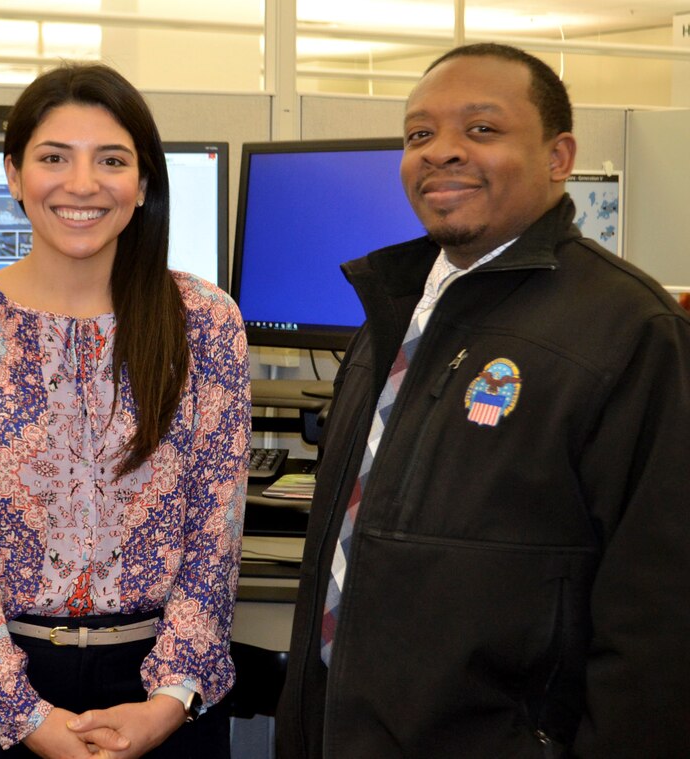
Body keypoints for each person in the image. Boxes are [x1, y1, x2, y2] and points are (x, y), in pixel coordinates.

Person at [277, 42, 690, 758]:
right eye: (419, 134)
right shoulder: (392, 309)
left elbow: (658, 626)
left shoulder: (629, 332)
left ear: (559, 156)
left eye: (482, 130)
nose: (440, 152)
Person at [0, 62, 250, 758]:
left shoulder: (205, 321)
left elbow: (218, 532)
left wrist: (169, 700)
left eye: (111, 160)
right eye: (54, 157)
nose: (82, 183)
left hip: (159, 694)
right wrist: (27, 716)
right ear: (13, 174)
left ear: (143, 182)